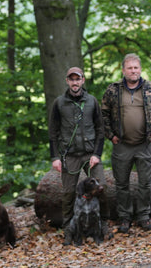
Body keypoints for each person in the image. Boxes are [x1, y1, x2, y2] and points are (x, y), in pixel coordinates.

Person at [48, 67, 110, 245]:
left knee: (102, 186)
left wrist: (97, 154)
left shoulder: (91, 101)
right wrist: (55, 157)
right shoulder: (59, 103)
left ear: (83, 80)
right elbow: (53, 132)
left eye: (78, 79)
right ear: (67, 81)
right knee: (68, 193)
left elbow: (100, 129)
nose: (75, 82)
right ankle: (69, 229)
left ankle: (103, 223)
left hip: (90, 153)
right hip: (70, 154)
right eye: (71, 79)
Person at [101, 53, 151, 233]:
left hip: (145, 144)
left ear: (140, 69)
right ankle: (125, 218)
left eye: (136, 67)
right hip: (122, 145)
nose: (133, 71)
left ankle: (143, 216)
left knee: (146, 184)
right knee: (122, 184)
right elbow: (102, 114)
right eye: (129, 68)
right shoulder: (113, 90)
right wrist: (110, 135)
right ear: (123, 70)